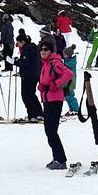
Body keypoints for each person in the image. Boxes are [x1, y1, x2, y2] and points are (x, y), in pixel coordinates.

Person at [36, 38, 73, 169]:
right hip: (47, 100)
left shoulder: (54, 62)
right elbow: (46, 80)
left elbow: (69, 73)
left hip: (55, 100)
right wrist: (41, 87)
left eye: (46, 49)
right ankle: (57, 157)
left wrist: (55, 84)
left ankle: (61, 160)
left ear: (51, 51)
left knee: (51, 131)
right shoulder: (45, 64)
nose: (43, 52)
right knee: (49, 130)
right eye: (41, 50)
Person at [15, 33, 43, 121]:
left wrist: (14, 62)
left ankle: (32, 115)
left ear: (23, 42)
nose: (17, 45)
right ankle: (39, 113)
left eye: (18, 43)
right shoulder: (33, 47)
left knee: (26, 95)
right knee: (32, 94)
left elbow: (25, 63)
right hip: (35, 74)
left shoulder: (27, 49)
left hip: (28, 75)